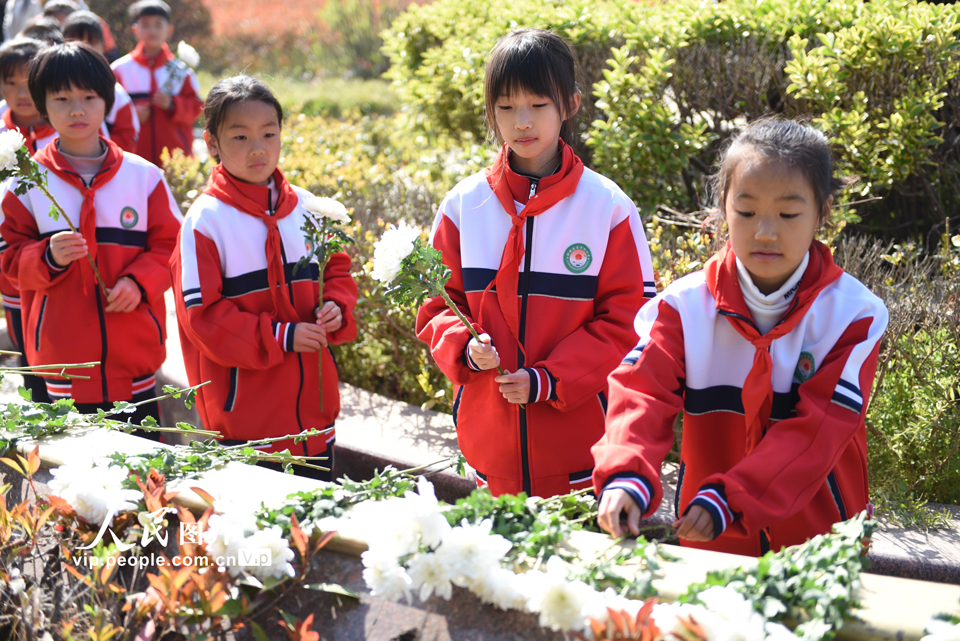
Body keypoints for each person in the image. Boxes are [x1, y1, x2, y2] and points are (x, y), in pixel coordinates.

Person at [593, 118, 889, 556]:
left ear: (823, 212)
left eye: (789, 214)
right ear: (722, 207)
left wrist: (732, 497)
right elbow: (640, 392)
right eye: (746, 212)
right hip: (713, 537)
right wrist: (626, 472)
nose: (765, 232)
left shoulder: (853, 316)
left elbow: (818, 432)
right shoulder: (683, 308)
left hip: (821, 543)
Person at [416, 29, 656, 498]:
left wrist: (548, 379)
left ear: (569, 104)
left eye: (538, 105)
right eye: (505, 108)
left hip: (581, 454)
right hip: (489, 454)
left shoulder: (607, 207)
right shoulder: (463, 205)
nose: (522, 122)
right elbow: (434, 307)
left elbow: (630, 323)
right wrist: (465, 347)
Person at [171, 75, 358, 480]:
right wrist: (282, 336)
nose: (258, 148)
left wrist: (336, 307)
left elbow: (337, 270)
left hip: (315, 418)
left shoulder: (309, 208)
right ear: (212, 143)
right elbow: (201, 319)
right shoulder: (205, 222)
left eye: (269, 133)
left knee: (313, 528)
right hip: (246, 427)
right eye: (239, 137)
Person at [0, 43, 182, 434]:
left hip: (135, 361)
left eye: (89, 97)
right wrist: (45, 255)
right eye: (62, 99)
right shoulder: (26, 182)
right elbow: (6, 257)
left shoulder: (143, 177)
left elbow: (172, 247)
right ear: (42, 105)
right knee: (69, 479)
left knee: (142, 474)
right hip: (60, 363)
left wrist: (139, 282)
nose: (77, 109)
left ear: (108, 101)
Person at [0, 36, 50, 402]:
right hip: (12, 263)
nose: (20, 92)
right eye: (9, 82)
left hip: (59, 260)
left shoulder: (66, 133)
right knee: (25, 343)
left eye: (28, 81)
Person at [111, 0, 202, 167]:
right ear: (135, 30)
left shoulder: (182, 71)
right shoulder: (119, 70)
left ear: (169, 30)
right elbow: (107, 111)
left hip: (175, 161)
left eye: (158, 25)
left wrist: (173, 105)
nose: (152, 30)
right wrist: (131, 115)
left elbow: (197, 109)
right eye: (145, 25)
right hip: (132, 159)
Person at [63, 11, 139, 153]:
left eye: (91, 42)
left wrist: (95, 151)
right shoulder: (51, 87)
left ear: (104, 47)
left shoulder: (115, 92)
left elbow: (128, 136)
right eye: (76, 40)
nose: (84, 47)